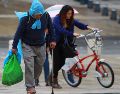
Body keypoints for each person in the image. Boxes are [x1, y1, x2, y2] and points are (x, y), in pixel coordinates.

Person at [12, 0, 56, 94]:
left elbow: (51, 28)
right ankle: (30, 87)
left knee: (40, 65)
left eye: (40, 14)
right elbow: (18, 33)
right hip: (27, 45)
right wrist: (14, 46)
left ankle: (32, 79)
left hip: (41, 45)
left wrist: (52, 40)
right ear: (32, 12)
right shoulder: (25, 19)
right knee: (29, 66)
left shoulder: (46, 16)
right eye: (37, 14)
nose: (39, 16)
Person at [49, 5, 95, 89]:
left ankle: (51, 76)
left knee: (63, 62)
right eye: (68, 13)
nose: (69, 15)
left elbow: (79, 24)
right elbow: (60, 30)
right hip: (55, 43)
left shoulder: (71, 20)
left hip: (66, 44)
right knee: (57, 62)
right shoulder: (56, 19)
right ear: (63, 13)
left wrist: (89, 27)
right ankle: (54, 81)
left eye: (71, 14)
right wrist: (72, 33)